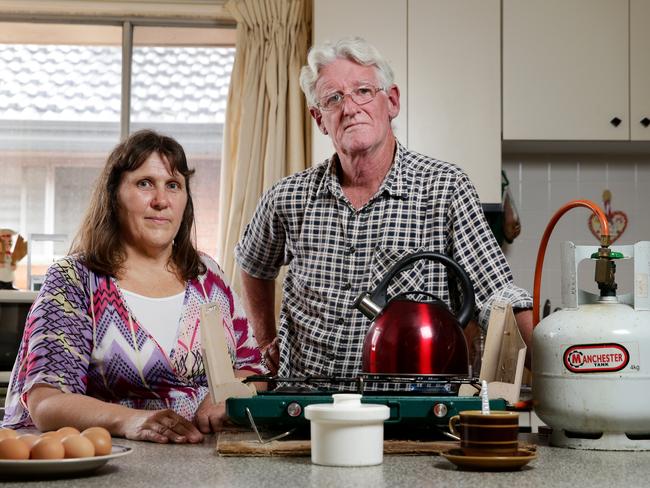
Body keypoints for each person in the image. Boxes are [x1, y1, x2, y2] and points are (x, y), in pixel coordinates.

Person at [235, 37, 534, 381]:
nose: (349, 108)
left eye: (363, 91)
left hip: (410, 406)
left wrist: (554, 364)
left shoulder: (444, 188)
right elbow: (252, 263)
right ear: (319, 119)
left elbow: (498, 294)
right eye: (333, 99)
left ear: (391, 101)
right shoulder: (287, 197)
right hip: (306, 404)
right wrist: (266, 339)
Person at [2, 130, 266, 443]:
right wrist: (133, 421)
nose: (161, 201)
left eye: (173, 185)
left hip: (205, 461)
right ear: (114, 195)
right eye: (144, 184)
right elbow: (46, 402)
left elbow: (253, 369)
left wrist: (229, 396)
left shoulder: (209, 276)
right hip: (110, 461)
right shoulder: (75, 280)